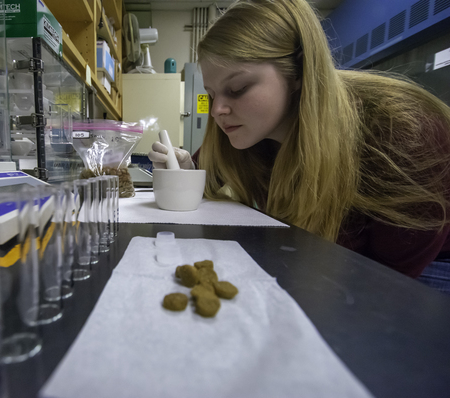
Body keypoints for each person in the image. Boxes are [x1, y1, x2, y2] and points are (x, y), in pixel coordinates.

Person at [148, 0, 450, 294]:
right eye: (212, 95)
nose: (217, 111)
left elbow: (383, 285)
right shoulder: (249, 129)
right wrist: (186, 171)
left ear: (298, 72)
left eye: (237, 89)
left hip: (417, 270)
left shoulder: (406, 134)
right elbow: (209, 172)